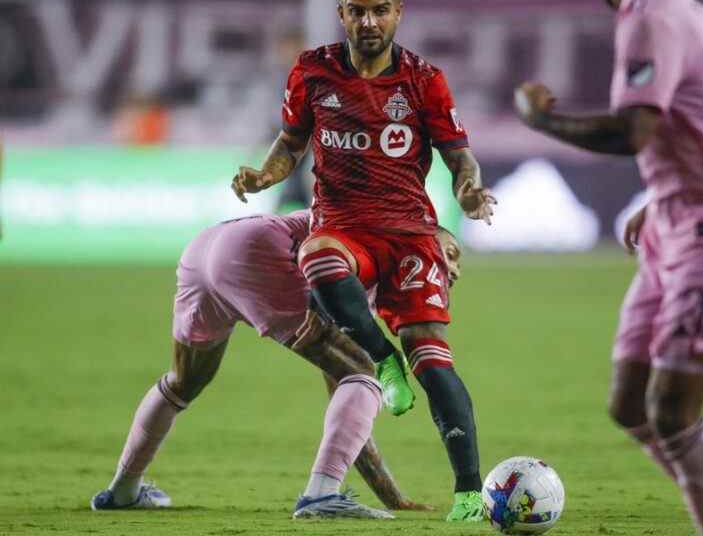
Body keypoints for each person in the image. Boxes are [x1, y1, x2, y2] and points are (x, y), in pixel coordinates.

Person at [231, 0, 495, 521]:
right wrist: (264, 175)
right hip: (345, 228)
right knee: (317, 256)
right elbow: (290, 142)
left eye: (380, 9)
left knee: (432, 357)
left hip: (409, 235)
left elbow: (458, 153)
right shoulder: (312, 71)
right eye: (358, 10)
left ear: (398, 12)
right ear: (342, 14)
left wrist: (470, 188)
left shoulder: (424, 79)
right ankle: (382, 361)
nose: (369, 20)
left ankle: (470, 491)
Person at [514, 0, 703, 535]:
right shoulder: (673, 10)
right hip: (674, 225)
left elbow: (634, 130)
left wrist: (543, 118)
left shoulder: (655, 16)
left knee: (674, 412)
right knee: (631, 402)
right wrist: (663, 195)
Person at [90, 210, 462, 518]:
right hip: (258, 253)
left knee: (183, 381)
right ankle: (320, 496)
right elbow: (355, 376)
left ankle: (123, 490)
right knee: (366, 371)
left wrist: (391, 496)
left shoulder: (370, 256)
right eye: (452, 253)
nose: (455, 270)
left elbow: (343, 392)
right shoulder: (380, 253)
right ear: (428, 241)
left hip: (207, 249)